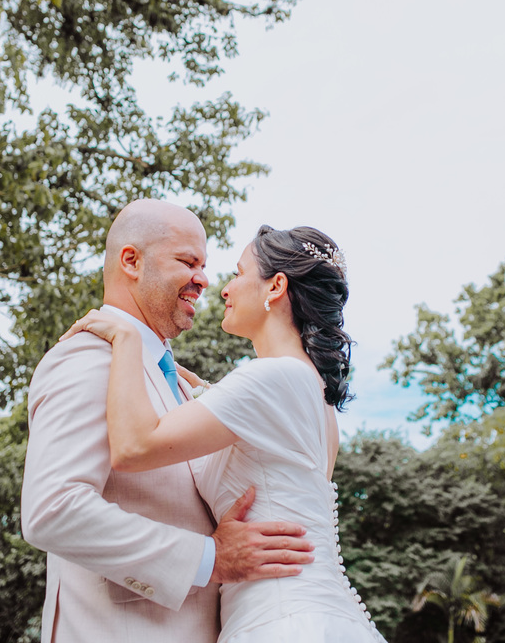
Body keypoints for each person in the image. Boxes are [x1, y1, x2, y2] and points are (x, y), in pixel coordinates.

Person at [65, 224, 386, 642]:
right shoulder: (315, 397)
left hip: (281, 620)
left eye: (238, 273)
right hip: (313, 610)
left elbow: (133, 448)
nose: (224, 289)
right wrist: (190, 385)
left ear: (275, 287)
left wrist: (125, 337)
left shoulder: (272, 378)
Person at [21, 200, 315, 643]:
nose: (204, 280)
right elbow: (52, 509)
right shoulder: (88, 358)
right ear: (132, 261)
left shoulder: (171, 379)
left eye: (206, 265)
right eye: (187, 261)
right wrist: (208, 558)